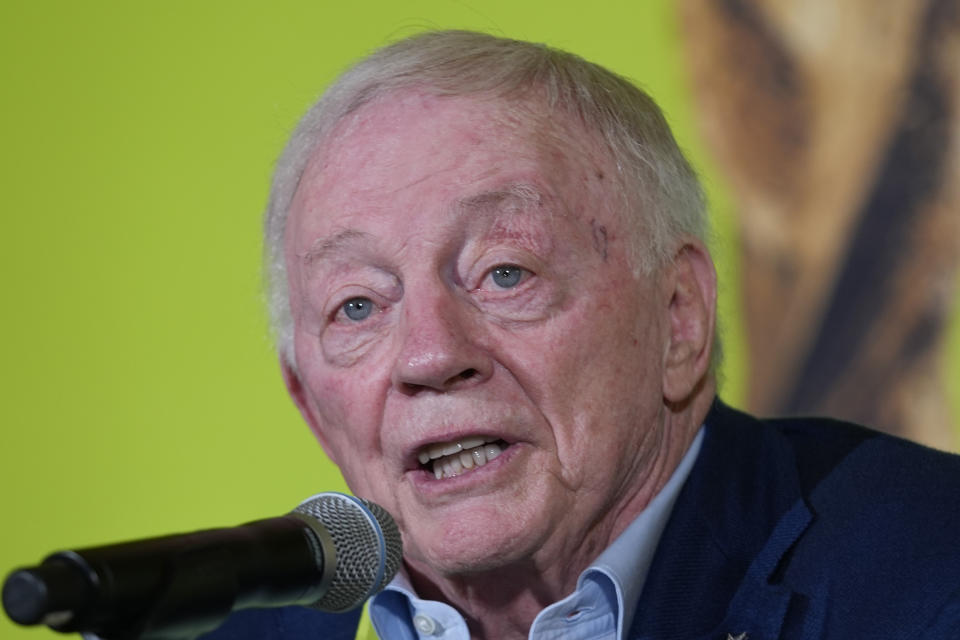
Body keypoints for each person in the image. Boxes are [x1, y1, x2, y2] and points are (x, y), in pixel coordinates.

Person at [205, 30, 960, 639]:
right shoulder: (228, 630)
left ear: (679, 319)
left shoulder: (929, 578)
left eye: (504, 272)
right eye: (359, 307)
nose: (431, 356)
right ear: (308, 402)